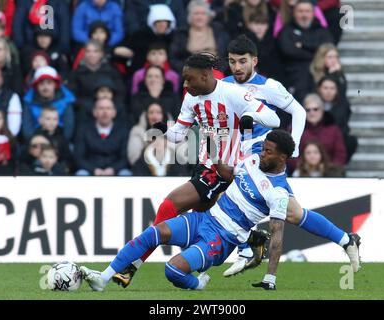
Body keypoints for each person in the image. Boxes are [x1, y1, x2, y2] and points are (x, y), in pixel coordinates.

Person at [112, 52, 283, 287]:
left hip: (223, 169)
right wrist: (163, 129)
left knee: (169, 205)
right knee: (202, 225)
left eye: (189, 79)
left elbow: (274, 119)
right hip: (204, 164)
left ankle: (132, 266)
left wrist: (248, 117)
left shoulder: (231, 93)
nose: (185, 84)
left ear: (205, 76)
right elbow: (179, 134)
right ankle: (249, 240)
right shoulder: (192, 98)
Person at [80, 130, 295, 291]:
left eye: (268, 152)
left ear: (282, 158)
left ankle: (198, 284)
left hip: (222, 239)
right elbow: (228, 173)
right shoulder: (254, 160)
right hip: (204, 219)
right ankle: (103, 278)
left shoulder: (279, 193)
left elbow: (277, 236)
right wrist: (212, 147)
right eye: (264, 149)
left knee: (172, 271)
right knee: (152, 233)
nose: (263, 154)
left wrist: (270, 278)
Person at [221, 35, 358, 276]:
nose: (237, 67)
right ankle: (346, 240)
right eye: (232, 62)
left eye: (242, 61)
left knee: (227, 195)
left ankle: (248, 248)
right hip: (239, 155)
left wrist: (292, 146)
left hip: (263, 158)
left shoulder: (269, 86)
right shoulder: (224, 85)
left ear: (254, 60)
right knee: (293, 212)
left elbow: (298, 111)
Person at [277, 0, 332, 103]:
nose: (304, 15)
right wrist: (315, 52)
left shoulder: (322, 31)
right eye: (300, 11)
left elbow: (327, 50)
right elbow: (288, 51)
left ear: (313, 13)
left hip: (320, 77)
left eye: (307, 11)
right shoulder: (286, 31)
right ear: (294, 13)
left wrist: (302, 46)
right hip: (294, 79)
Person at [169, 0, 230, 73]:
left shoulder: (219, 31)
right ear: (190, 16)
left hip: (216, 70)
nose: (199, 17)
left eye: (203, 13)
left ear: (208, 16)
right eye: (196, 13)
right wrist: (187, 70)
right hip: (192, 72)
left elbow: (227, 55)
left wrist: (221, 68)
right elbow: (174, 58)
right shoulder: (181, 34)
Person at [74, 98, 130, 176]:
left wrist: (113, 169)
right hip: (90, 170)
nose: (105, 112)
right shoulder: (84, 129)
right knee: (81, 174)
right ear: (94, 112)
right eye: (101, 108)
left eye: (108, 108)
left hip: (115, 170)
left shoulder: (123, 130)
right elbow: (79, 156)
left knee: (126, 174)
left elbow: (125, 157)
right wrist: (93, 169)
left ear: (114, 112)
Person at [22, 66, 75, 141]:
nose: (45, 87)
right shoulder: (29, 102)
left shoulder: (66, 101)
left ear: (55, 85)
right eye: (41, 84)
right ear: (36, 87)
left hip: (60, 141)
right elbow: (27, 130)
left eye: (49, 83)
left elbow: (68, 130)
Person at [119, 4, 177, 72]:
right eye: (159, 21)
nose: (162, 24)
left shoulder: (174, 38)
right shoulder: (140, 36)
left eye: (165, 22)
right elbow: (123, 49)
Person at [127, 102, 173, 167]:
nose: (154, 115)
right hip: (144, 170)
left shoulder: (174, 132)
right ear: (146, 116)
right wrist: (150, 146)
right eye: (151, 112)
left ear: (164, 115)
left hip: (171, 170)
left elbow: (183, 157)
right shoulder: (137, 131)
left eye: (158, 112)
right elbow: (133, 158)